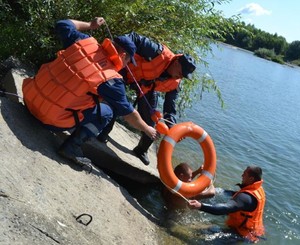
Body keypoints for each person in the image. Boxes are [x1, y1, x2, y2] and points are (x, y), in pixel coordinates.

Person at [22, 18, 157, 171]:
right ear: (124, 55)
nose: (127, 65)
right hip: (46, 119)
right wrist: (147, 129)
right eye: (128, 61)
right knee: (107, 112)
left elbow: (63, 24)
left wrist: (90, 25)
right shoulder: (112, 78)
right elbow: (128, 114)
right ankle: (70, 147)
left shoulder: (84, 42)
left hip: (29, 98)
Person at [97, 32, 197, 165]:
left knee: (151, 124)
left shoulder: (175, 83)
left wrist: (171, 126)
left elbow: (170, 107)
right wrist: (124, 53)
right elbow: (134, 38)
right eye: (181, 72)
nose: (180, 76)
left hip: (146, 89)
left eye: (184, 75)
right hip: (126, 72)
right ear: (177, 62)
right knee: (116, 103)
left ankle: (141, 150)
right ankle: (104, 133)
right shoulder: (157, 52)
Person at [188, 166, 266, 243]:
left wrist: (200, 206)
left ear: (251, 179)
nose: (242, 176)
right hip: (256, 232)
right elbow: (237, 194)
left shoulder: (245, 198)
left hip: (241, 234)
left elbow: (225, 208)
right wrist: (219, 191)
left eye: (244, 174)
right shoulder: (258, 189)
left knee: (199, 235)